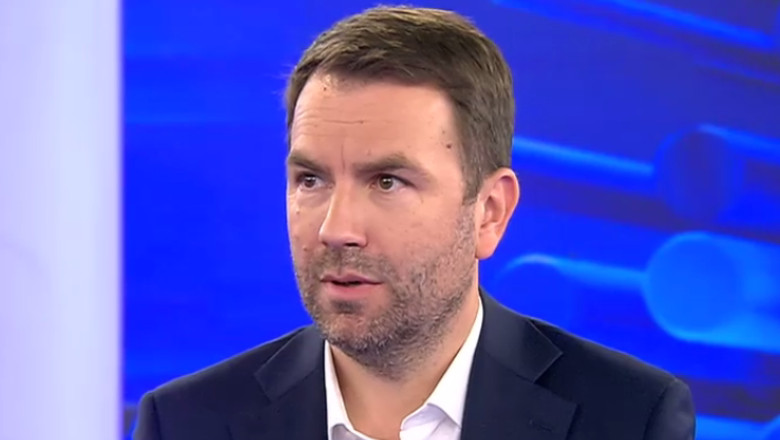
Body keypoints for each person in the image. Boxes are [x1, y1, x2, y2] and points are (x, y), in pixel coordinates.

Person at [133, 5, 696, 440]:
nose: (336, 228)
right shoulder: (184, 424)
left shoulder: (629, 418)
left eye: (387, 182)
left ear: (490, 211)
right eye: (311, 180)